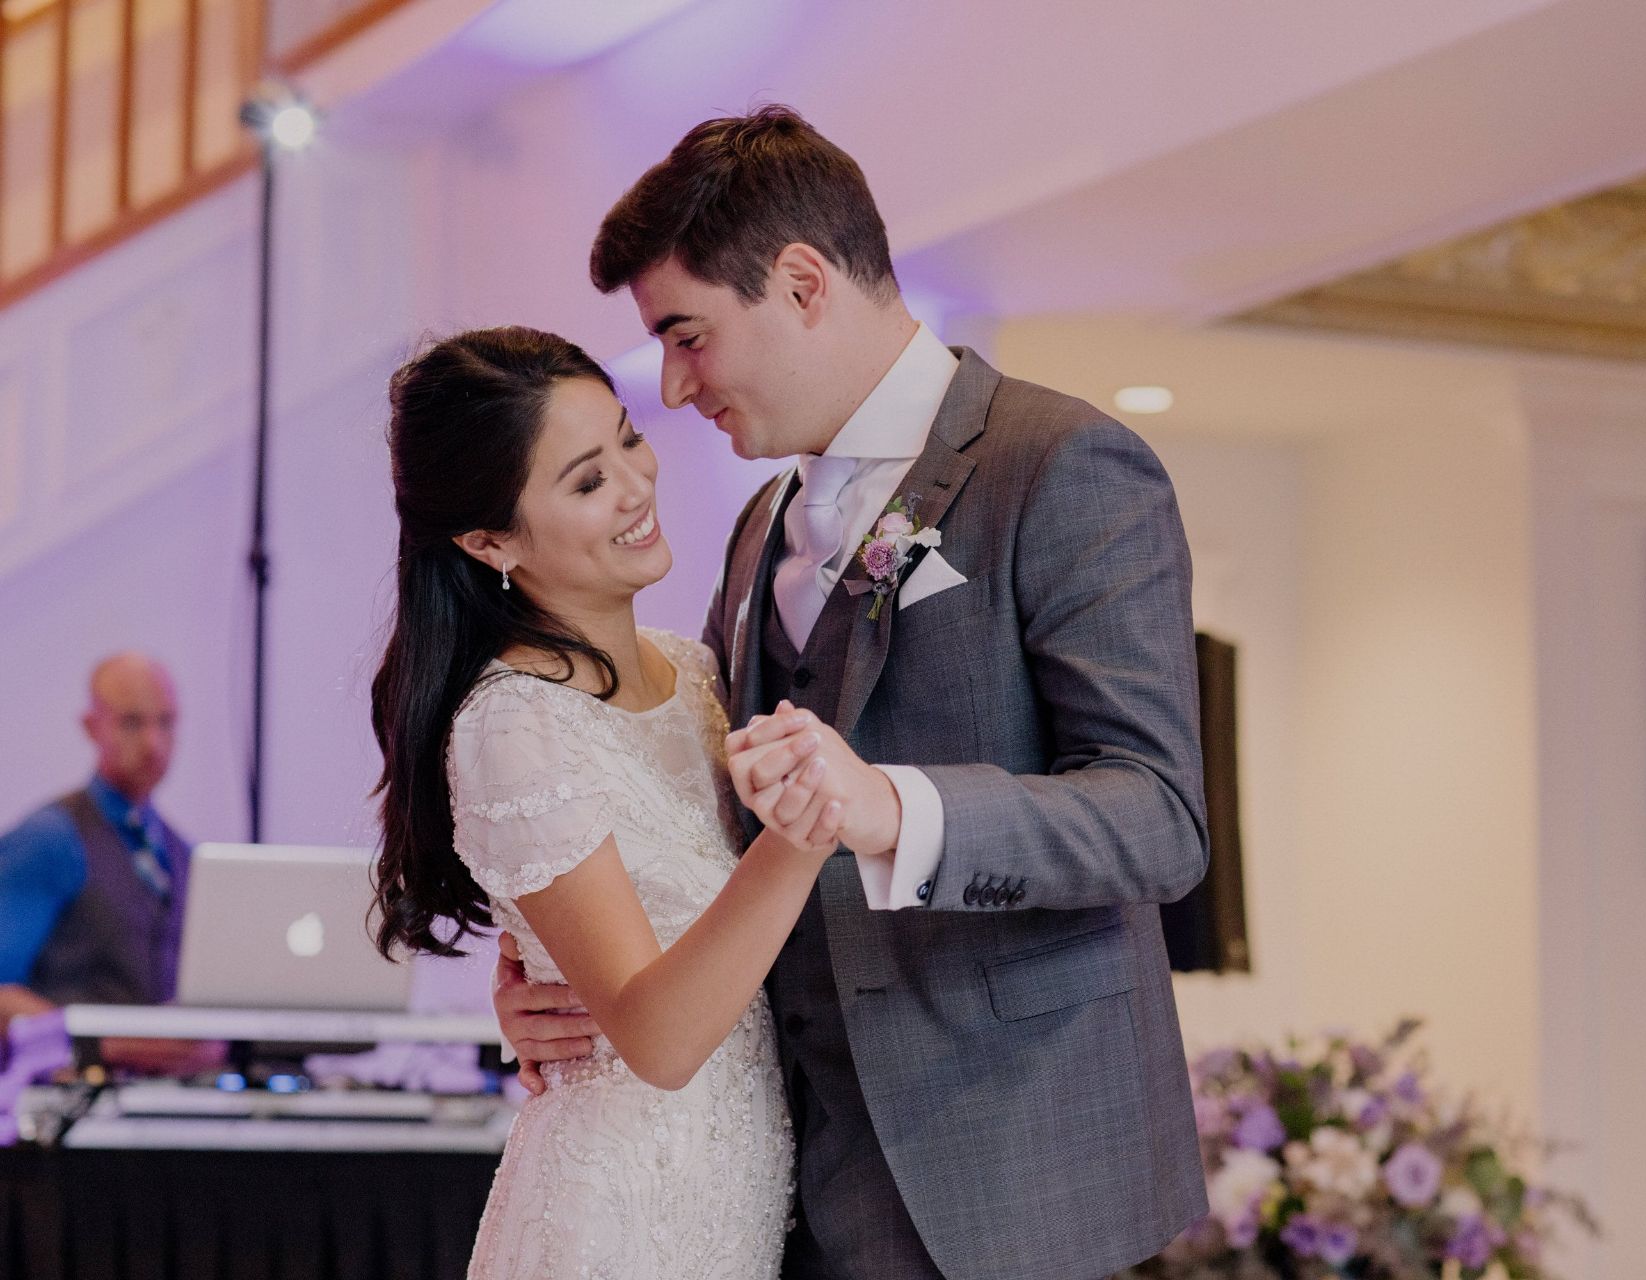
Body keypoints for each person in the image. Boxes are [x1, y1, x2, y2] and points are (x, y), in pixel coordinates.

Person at [495, 106, 1210, 1280]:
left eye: (688, 335)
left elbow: (1157, 815)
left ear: (802, 280)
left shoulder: (1061, 464)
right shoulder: (752, 529)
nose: (673, 387)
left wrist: (892, 805)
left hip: (1014, 1177)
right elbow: (706, 813)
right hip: (789, 1185)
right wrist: (565, 977)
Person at [368, 327, 846, 1279]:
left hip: (739, 1207)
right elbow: (659, 1037)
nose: (636, 485)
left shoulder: (699, 671)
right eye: (586, 481)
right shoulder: (513, 725)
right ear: (488, 540)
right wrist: (796, 840)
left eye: (628, 439)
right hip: (619, 1219)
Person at [0, 653, 221, 1075]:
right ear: (91, 726)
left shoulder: (180, 852)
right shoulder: (50, 839)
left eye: (167, 723)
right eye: (133, 723)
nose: (153, 744)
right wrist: (117, 1044)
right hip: (65, 1108)